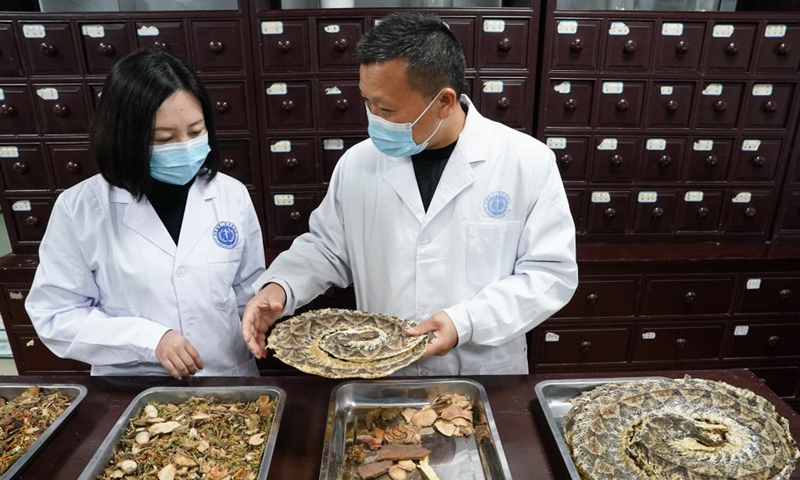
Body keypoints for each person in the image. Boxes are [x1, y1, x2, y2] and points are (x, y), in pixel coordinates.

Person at [242, 12, 578, 376]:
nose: (374, 119)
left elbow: (549, 274)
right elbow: (328, 248)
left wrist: (465, 320)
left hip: (482, 373)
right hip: (384, 372)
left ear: (444, 102)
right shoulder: (358, 164)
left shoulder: (525, 162)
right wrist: (280, 287)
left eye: (386, 109)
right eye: (367, 102)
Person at [25, 50, 265, 378]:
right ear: (126, 139)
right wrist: (147, 339)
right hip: (133, 386)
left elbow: (247, 290)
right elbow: (55, 315)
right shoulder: (80, 209)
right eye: (164, 139)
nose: (185, 147)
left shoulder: (230, 195)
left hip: (227, 377)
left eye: (195, 132)